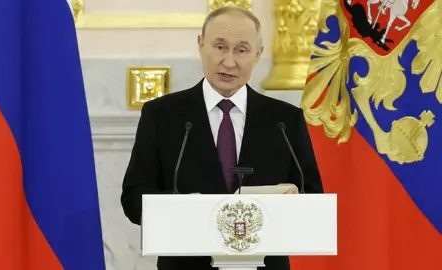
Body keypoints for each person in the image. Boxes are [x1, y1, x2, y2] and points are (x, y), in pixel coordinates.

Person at [121, 5, 323, 270]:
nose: (229, 62)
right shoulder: (162, 115)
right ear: (201, 44)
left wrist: (294, 201)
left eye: (242, 50)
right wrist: (177, 208)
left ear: (258, 54)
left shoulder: (284, 121)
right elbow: (134, 198)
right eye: (219, 47)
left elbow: (312, 198)